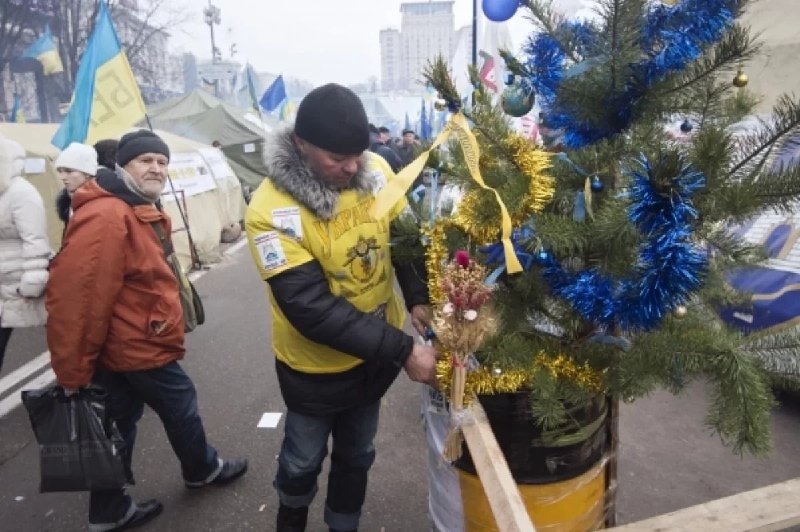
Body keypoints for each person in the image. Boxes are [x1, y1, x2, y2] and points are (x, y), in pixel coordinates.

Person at [245, 83, 438, 532]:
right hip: (314, 370)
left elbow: (405, 242)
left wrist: (417, 297)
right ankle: (291, 515)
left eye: (359, 153)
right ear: (302, 145)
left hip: (372, 361)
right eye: (337, 159)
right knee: (302, 458)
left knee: (358, 454)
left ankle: (342, 524)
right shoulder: (270, 212)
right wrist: (404, 350)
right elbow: (310, 308)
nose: (352, 167)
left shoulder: (376, 174)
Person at [46, 129, 248, 532]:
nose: (156, 167)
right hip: (135, 343)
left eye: (161, 161)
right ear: (122, 166)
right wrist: (72, 370)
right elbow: (79, 298)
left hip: (130, 341)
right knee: (178, 403)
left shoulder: (131, 206)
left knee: (121, 420)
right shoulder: (109, 214)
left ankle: (108, 510)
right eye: (145, 160)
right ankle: (202, 469)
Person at [0, 138, 50, 373]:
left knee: (62, 339)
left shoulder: (21, 193)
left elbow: (35, 239)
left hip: (15, 283)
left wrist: (32, 284)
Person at [54, 142, 98, 231]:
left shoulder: (101, 204)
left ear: (87, 173)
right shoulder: (69, 203)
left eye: (69, 171)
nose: (62, 177)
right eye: (60, 171)